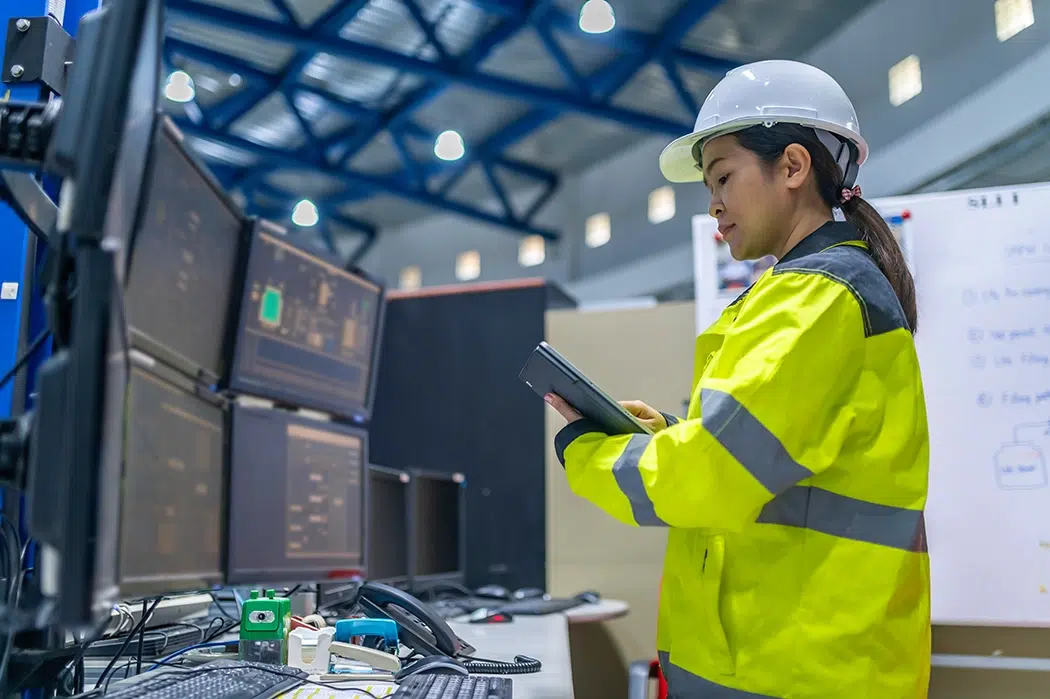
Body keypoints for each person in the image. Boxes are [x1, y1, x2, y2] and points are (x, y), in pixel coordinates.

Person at [546, 60, 930, 698]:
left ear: (792, 167)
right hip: (783, 657)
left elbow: (712, 476)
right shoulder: (805, 294)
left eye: (723, 176)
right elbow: (768, 463)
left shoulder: (818, 301)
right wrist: (668, 434)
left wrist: (589, 449)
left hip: (797, 668)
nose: (714, 204)